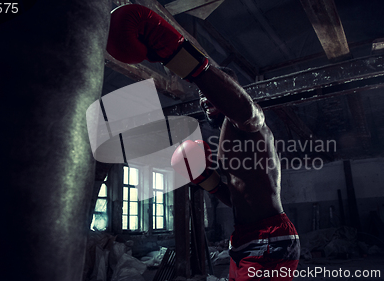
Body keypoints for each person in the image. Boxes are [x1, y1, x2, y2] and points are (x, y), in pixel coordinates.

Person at [107, 4, 299, 280]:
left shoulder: (249, 123)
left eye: (211, 93)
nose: (203, 99)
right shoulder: (227, 135)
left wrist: (179, 55)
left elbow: (250, 113)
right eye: (201, 97)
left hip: (269, 237)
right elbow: (237, 199)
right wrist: (205, 180)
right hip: (245, 237)